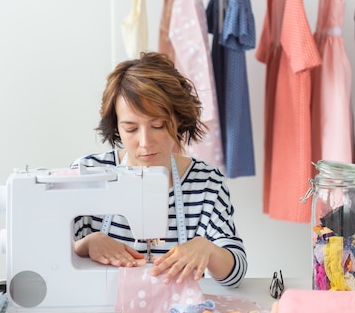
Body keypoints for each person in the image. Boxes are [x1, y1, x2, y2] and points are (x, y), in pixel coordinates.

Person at [72, 52, 247, 288]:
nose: (145, 142)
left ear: (179, 119)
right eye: (131, 129)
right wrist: (86, 244)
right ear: (116, 127)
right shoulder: (89, 173)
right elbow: (50, 255)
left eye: (157, 125)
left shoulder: (206, 182)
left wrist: (208, 249)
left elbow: (235, 275)